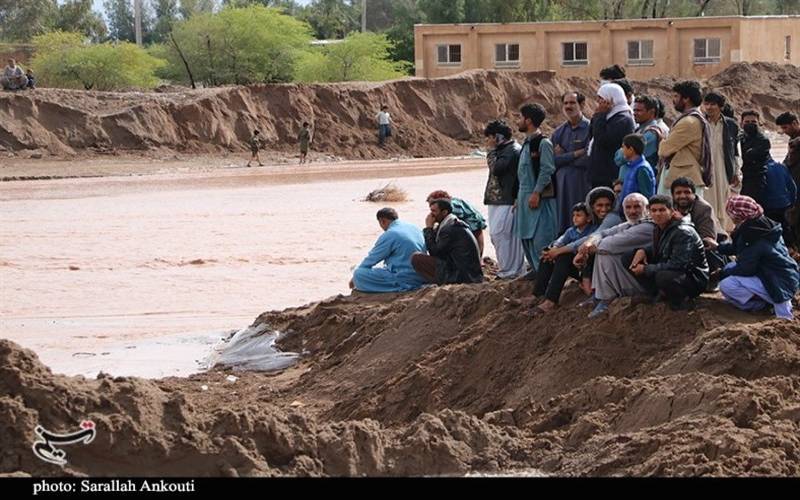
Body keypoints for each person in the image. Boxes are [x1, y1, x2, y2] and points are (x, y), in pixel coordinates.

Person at [707, 196, 799, 320]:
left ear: (738, 216)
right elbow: (740, 248)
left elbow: (745, 269)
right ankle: (766, 300)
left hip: (777, 282)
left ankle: (761, 305)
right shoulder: (761, 224)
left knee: (726, 285)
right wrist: (718, 247)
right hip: (784, 274)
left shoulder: (752, 236)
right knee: (730, 267)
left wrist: (721, 274)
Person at [579, 193, 655, 318]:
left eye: (637, 207)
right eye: (628, 208)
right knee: (603, 253)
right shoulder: (629, 224)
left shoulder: (647, 227)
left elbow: (607, 245)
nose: (632, 211)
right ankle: (601, 296)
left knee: (604, 252)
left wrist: (586, 249)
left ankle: (606, 298)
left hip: (644, 282)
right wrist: (588, 242)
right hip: (631, 277)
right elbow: (602, 233)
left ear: (646, 209)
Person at [628, 195, 709, 310]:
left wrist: (645, 269)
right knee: (628, 257)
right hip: (674, 270)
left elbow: (679, 264)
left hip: (692, 278)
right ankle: (656, 294)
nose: (657, 214)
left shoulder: (683, 231)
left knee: (663, 276)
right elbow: (663, 246)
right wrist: (643, 250)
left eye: (662, 210)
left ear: (671, 211)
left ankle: (681, 302)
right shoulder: (659, 227)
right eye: (654, 210)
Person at [530, 201, 600, 315]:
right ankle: (537, 294)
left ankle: (551, 302)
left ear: (588, 218)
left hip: (587, 269)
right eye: (574, 215)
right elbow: (561, 240)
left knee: (563, 257)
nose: (575, 218)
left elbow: (578, 244)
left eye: (579, 215)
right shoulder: (571, 231)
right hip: (574, 266)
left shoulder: (594, 230)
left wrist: (558, 252)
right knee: (547, 257)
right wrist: (553, 249)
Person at [515, 103, 558, 278]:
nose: (518, 121)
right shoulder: (526, 144)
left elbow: (547, 170)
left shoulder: (543, 144)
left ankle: (546, 277)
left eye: (520, 117)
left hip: (538, 198)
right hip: (525, 197)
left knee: (541, 238)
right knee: (526, 238)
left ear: (529, 120)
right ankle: (536, 272)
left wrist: (536, 192)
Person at [483, 119, 525, 278]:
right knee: (499, 235)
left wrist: (491, 150)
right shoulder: (506, 150)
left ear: (498, 137)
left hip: (507, 199)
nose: (487, 141)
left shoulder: (511, 150)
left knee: (502, 234)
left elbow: (497, 169)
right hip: (499, 199)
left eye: (489, 137)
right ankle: (508, 269)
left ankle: (510, 271)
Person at [350, 208, 427, 293]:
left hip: (405, 278)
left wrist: (354, 278)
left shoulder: (390, 234)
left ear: (382, 221)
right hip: (422, 275)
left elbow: (371, 259)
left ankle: (399, 288)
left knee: (358, 273)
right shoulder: (414, 227)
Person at [658, 81, 713, 200]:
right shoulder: (690, 119)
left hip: (683, 178)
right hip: (682, 176)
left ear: (686, 98)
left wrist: (662, 140)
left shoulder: (688, 122)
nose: (673, 100)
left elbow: (664, 150)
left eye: (676, 96)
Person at [411, 198, 483, 285]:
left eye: (434, 211)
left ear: (444, 212)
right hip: (470, 274)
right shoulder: (451, 223)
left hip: (463, 276)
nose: (431, 215)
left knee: (416, 258)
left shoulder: (449, 229)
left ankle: (440, 283)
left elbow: (434, 252)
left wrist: (428, 229)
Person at [671, 177, 727, 286]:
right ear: (673, 195)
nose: (682, 196)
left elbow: (708, 239)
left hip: (706, 247)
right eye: (678, 193)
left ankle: (710, 279)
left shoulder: (703, 208)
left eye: (687, 192)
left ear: (694, 194)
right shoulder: (670, 206)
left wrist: (683, 222)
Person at [552, 91, 591, 234]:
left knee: (582, 221)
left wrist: (564, 157)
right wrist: (576, 153)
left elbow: (588, 157)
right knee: (563, 223)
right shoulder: (559, 132)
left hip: (582, 183)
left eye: (572, 103)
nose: (568, 106)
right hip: (562, 186)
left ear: (581, 105)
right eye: (566, 103)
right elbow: (553, 160)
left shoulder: (590, 128)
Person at [702, 91, 741, 232]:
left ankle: (723, 234)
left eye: (713, 104)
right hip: (705, 169)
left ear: (720, 107)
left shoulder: (731, 125)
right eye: (707, 104)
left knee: (723, 202)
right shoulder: (700, 123)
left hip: (724, 169)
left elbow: (735, 152)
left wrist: (736, 171)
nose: (709, 107)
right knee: (707, 201)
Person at [588, 83, 635, 188]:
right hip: (599, 174)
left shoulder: (623, 119)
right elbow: (592, 135)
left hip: (611, 174)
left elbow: (602, 140)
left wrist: (600, 115)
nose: (599, 102)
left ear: (612, 98)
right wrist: (598, 116)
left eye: (602, 98)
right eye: (599, 99)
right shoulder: (608, 116)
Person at [613, 94, 665, 173]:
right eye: (634, 110)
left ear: (652, 112)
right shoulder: (640, 130)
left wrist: (622, 151)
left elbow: (620, 158)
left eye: (639, 111)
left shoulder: (651, 134)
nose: (635, 113)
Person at [427, 190, 487, 257]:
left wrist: (430, 228)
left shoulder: (454, 207)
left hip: (473, 225)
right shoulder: (447, 209)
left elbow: (454, 224)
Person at [776, 111, 800, 250]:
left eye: (786, 127)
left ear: (795, 123)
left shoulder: (796, 141)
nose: (784, 131)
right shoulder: (793, 141)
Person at [761, 156, 797, 247]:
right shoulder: (781, 167)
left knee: (771, 229)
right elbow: (792, 187)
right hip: (784, 204)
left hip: (769, 205)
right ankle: (791, 248)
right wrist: (792, 202)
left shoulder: (762, 170)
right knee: (785, 227)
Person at [739, 110, 771, 206]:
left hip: (756, 181)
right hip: (741, 179)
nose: (750, 124)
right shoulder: (740, 138)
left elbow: (748, 156)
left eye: (753, 122)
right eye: (747, 122)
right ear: (741, 123)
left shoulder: (763, 141)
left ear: (759, 123)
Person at [617, 134, 656, 209]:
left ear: (631, 149)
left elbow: (646, 196)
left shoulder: (642, 169)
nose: (622, 150)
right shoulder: (631, 166)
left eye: (623, 147)